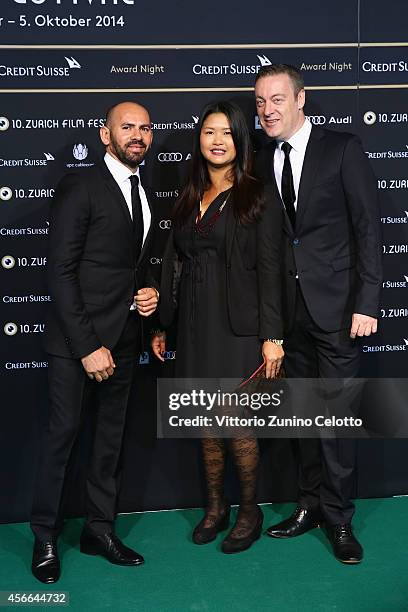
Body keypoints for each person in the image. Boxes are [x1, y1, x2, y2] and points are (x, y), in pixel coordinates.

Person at [254, 64, 382, 563]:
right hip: (290, 318)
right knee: (304, 419)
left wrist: (367, 302)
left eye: (277, 99)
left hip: (338, 311)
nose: (267, 110)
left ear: (301, 99)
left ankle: (340, 519)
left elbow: (368, 228)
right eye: (261, 101)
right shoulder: (262, 161)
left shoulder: (342, 149)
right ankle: (308, 505)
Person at [30, 101, 159, 583]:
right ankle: (45, 535)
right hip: (75, 344)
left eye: (145, 128)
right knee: (63, 438)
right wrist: (87, 345)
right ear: (105, 136)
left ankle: (98, 530)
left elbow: (128, 265)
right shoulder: (79, 186)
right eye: (127, 127)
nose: (138, 135)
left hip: (125, 339)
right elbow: (61, 273)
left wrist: (147, 295)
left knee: (110, 442)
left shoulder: (144, 190)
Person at [151, 101, 284, 554]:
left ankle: (249, 510)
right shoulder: (190, 194)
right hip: (192, 324)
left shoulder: (256, 193)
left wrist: (273, 336)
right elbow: (174, 263)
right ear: (199, 139)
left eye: (227, 132)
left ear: (240, 140)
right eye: (209, 132)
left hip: (239, 329)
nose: (217, 140)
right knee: (205, 421)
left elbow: (270, 269)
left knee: (236, 424)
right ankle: (215, 507)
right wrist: (163, 324)